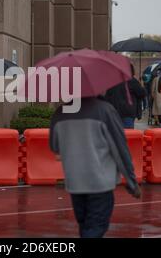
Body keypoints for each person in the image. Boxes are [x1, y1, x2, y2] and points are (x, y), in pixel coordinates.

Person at [49, 96, 141, 238]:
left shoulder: (60, 113)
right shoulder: (105, 111)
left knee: (85, 226)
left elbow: (55, 146)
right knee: (95, 228)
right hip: (100, 183)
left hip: (75, 183)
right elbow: (120, 148)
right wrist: (131, 181)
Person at [105, 64, 146, 129]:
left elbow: (106, 97)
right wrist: (141, 85)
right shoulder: (132, 81)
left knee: (116, 135)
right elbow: (142, 93)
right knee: (128, 136)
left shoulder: (112, 81)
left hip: (114, 112)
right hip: (127, 112)